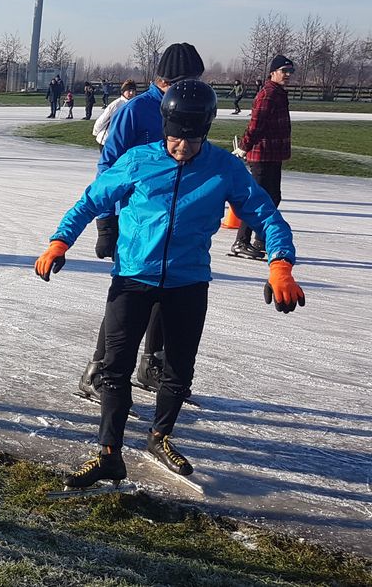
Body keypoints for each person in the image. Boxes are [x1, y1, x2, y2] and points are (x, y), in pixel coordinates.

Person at [34, 79, 304, 486]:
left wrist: (280, 263)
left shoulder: (224, 168)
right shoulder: (139, 160)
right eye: (176, 137)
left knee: (177, 371)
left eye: (192, 139)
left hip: (187, 281)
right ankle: (109, 453)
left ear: (206, 132)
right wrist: (59, 241)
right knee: (115, 368)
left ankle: (160, 437)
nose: (181, 147)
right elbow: (91, 200)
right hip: (133, 277)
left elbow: (265, 215)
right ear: (166, 128)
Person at [82, 43, 205, 404]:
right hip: (132, 221)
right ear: (167, 80)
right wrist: (106, 223)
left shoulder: (190, 108)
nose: (194, 88)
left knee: (166, 292)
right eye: (189, 80)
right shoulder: (136, 111)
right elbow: (108, 167)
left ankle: (151, 364)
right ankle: (98, 369)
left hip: (173, 221)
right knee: (130, 296)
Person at [232, 55, 294, 260]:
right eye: (283, 71)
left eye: (289, 72)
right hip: (262, 155)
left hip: (273, 154)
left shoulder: (278, 93)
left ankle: (261, 238)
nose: (287, 75)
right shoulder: (268, 94)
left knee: (273, 197)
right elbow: (256, 125)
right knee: (256, 199)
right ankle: (241, 241)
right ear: (272, 72)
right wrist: (244, 147)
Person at [92, 79, 137, 150]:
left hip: (122, 142)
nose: (131, 93)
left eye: (133, 91)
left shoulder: (134, 105)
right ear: (123, 91)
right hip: (107, 141)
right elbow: (102, 120)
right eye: (129, 90)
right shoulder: (116, 105)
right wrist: (96, 132)